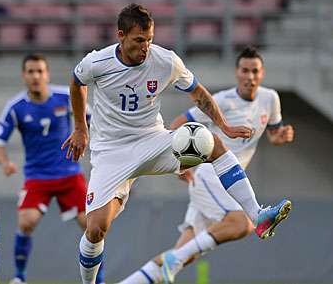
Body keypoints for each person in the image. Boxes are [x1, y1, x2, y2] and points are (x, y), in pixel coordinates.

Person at [61, 4, 291, 284]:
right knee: (96, 229)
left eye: (150, 39)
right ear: (120, 36)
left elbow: (197, 92)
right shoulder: (98, 62)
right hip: (111, 153)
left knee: (213, 143)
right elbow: (76, 83)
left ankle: (257, 215)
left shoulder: (166, 61)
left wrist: (226, 126)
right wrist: (80, 128)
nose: (146, 46)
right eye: (138, 40)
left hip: (152, 139)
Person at [118, 46, 295, 284]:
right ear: (236, 72)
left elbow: (273, 134)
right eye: (245, 70)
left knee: (184, 253)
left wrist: (280, 137)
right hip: (210, 174)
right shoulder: (222, 101)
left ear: (262, 74)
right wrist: (182, 161)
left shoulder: (270, 99)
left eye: (255, 71)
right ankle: (179, 257)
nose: (250, 77)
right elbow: (180, 122)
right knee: (241, 224)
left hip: (232, 184)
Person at [0, 54, 105, 284]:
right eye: (31, 71)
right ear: (24, 75)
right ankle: (19, 277)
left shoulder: (65, 96)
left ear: (47, 74)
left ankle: (98, 279)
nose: (36, 76)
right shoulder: (16, 107)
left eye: (40, 71)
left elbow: (97, 121)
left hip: (70, 175)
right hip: (37, 177)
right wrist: (5, 163)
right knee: (26, 222)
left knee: (93, 227)